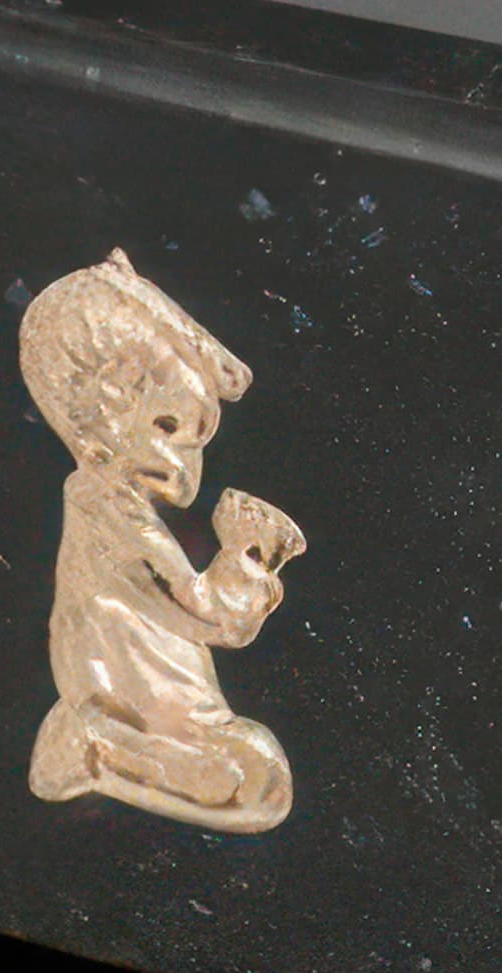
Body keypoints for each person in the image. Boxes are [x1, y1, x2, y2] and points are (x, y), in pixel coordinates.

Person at [19, 250, 305, 831]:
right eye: (171, 430)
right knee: (260, 781)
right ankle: (94, 752)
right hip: (127, 710)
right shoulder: (106, 506)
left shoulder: (111, 501)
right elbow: (208, 616)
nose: (186, 469)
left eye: (195, 441)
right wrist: (247, 556)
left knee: (261, 770)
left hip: (173, 716)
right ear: (108, 409)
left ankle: (105, 751)